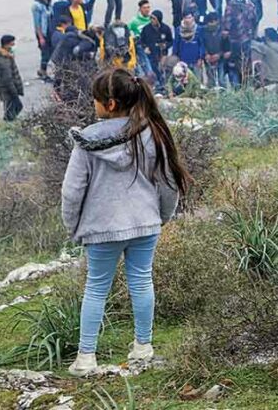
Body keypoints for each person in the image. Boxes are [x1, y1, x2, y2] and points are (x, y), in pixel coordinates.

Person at [62, 67, 191, 377]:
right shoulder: (153, 132)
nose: (91, 103)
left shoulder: (87, 141)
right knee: (142, 281)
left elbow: (71, 192)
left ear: (109, 104)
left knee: (96, 289)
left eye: (95, 99)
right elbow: (169, 183)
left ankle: (86, 358)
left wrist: (73, 227)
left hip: (102, 228)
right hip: (145, 223)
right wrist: (161, 217)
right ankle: (143, 347)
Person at [140, 10, 173, 92]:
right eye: (151, 18)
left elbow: (171, 41)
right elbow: (141, 41)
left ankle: (164, 87)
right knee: (152, 73)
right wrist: (145, 48)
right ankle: (154, 88)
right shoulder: (146, 29)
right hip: (150, 55)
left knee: (162, 70)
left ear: (159, 19)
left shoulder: (165, 28)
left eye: (154, 19)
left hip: (162, 55)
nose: (152, 20)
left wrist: (166, 46)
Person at [0, 34, 24, 121]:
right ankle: (8, 124)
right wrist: (14, 92)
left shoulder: (6, 57)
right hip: (8, 91)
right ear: (6, 45)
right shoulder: (4, 60)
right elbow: (8, 79)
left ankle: (9, 122)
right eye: (12, 44)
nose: (13, 46)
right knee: (14, 108)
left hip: (7, 90)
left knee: (11, 109)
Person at [32, 0, 54, 79]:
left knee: (50, 51)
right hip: (43, 33)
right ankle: (42, 71)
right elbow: (37, 24)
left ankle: (43, 70)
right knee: (45, 53)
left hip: (50, 31)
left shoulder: (49, 2)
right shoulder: (37, 6)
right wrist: (41, 37)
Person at [129, 0, 155, 79]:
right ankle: (148, 74)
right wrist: (134, 35)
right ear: (140, 9)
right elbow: (127, 31)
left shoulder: (152, 19)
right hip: (141, 45)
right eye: (144, 8)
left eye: (148, 7)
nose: (147, 10)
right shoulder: (134, 21)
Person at [201, 12, 227, 88]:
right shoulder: (204, 32)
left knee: (221, 80)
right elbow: (202, 44)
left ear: (217, 21)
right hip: (208, 60)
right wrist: (206, 54)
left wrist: (219, 55)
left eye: (212, 22)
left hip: (220, 60)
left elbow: (226, 48)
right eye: (209, 22)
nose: (211, 24)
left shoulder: (223, 33)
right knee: (211, 81)